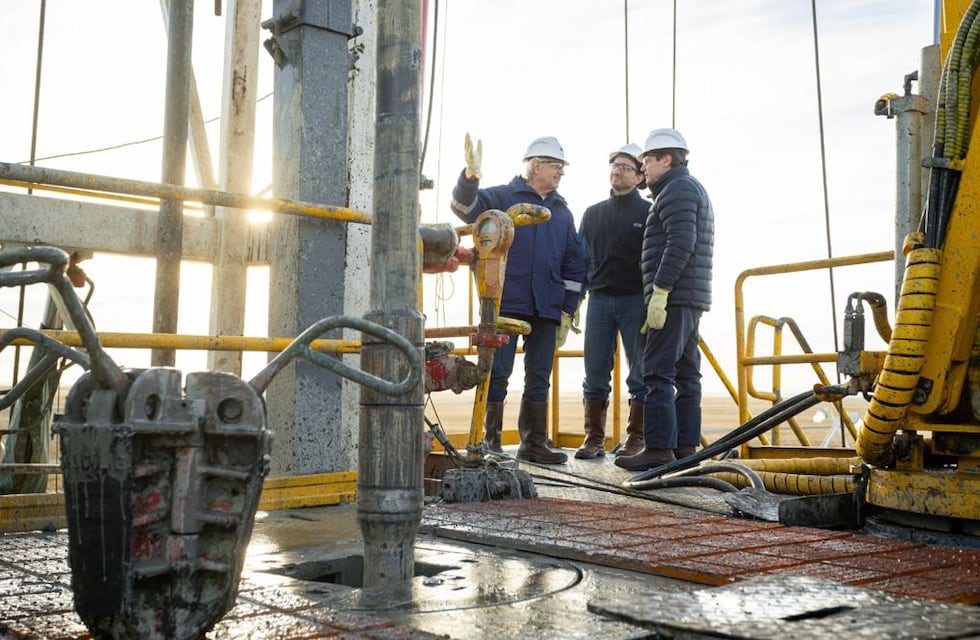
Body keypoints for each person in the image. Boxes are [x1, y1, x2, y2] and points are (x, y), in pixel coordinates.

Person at [451, 134, 585, 464]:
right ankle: (491, 443)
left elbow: (575, 262)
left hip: (546, 308)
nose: (560, 173)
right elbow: (464, 210)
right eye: (556, 166)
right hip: (506, 303)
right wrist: (469, 178)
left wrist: (568, 309)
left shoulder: (562, 213)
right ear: (535, 165)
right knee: (498, 372)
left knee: (539, 376)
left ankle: (533, 443)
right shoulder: (500, 197)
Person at [615, 128, 714, 471]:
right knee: (687, 374)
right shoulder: (684, 188)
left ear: (665, 159)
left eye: (646, 161)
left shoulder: (677, 190)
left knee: (657, 372)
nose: (643, 170)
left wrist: (660, 291)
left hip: (674, 296)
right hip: (689, 296)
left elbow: (680, 242)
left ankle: (658, 449)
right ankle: (685, 448)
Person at [574, 143, 649, 460]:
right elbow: (580, 260)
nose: (617, 170)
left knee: (641, 373)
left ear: (638, 177)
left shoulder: (649, 213)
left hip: (636, 300)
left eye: (625, 167)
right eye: (614, 165)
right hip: (600, 301)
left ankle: (637, 438)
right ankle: (593, 439)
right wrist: (573, 303)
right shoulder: (592, 214)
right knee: (594, 372)